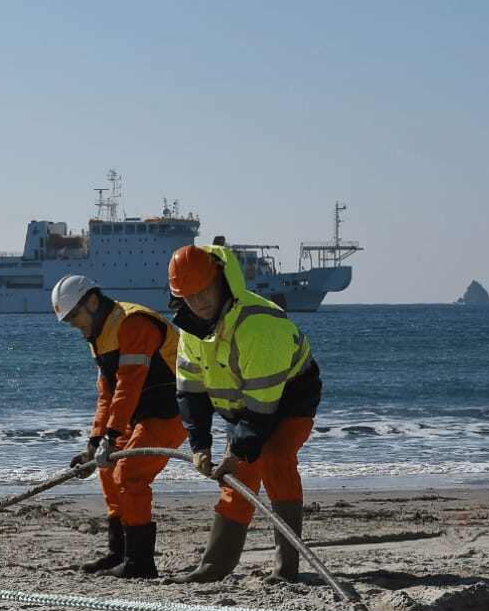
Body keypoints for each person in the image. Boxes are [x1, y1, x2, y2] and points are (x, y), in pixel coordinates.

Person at [167, 245, 323, 584]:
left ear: (221, 281)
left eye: (204, 291)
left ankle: (287, 570)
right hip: (244, 407)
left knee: (275, 459)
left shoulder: (259, 325)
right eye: (189, 296)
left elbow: (263, 408)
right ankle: (214, 567)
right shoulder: (190, 330)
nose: (199, 302)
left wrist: (238, 451)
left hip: (289, 399)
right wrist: (200, 445)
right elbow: (190, 392)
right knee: (237, 479)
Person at [51, 275, 188, 578]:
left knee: (130, 473)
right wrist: (95, 442)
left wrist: (111, 437)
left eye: (76, 316)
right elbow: (108, 394)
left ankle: (141, 563)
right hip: (141, 414)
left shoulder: (134, 323)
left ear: (93, 302)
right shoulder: (100, 335)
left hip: (171, 412)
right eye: (69, 320)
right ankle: (119, 553)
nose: (74, 324)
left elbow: (130, 383)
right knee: (106, 469)